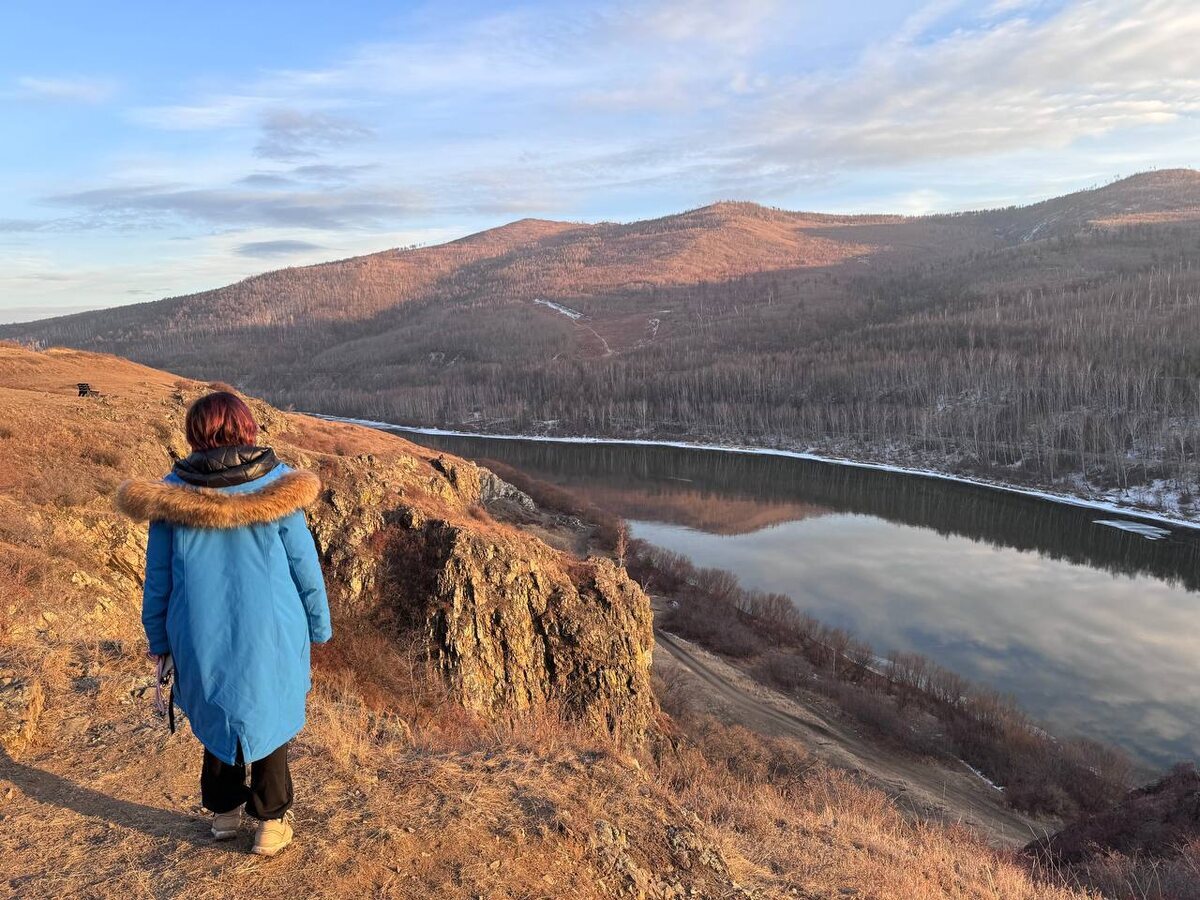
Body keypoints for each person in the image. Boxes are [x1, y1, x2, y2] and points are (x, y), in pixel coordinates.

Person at [116, 391, 331, 856]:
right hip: (271, 630)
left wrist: (158, 638)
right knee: (269, 711)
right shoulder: (279, 489)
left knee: (216, 708)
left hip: (197, 630)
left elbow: (158, 580)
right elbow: (304, 566)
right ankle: (270, 823)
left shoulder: (172, 496)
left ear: (196, 434)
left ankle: (223, 814)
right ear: (246, 429)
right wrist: (319, 625)